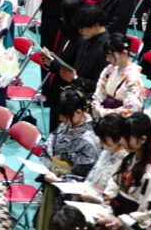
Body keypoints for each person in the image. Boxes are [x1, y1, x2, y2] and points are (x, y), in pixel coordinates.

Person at [35, 89, 101, 230]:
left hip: (71, 197)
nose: (60, 119)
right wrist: (46, 169)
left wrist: (58, 180)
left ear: (78, 112)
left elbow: (84, 176)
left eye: (64, 116)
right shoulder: (65, 124)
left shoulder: (90, 140)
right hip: (52, 179)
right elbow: (49, 146)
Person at [96, 113, 151, 230]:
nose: (122, 141)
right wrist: (108, 209)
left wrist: (121, 221)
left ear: (142, 139)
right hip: (117, 212)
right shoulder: (127, 159)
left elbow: (150, 213)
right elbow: (113, 185)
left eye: (126, 137)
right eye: (122, 136)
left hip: (133, 222)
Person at [90, 33, 146, 118]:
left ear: (124, 53)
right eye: (107, 56)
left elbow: (132, 109)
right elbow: (99, 92)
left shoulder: (134, 77)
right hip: (103, 113)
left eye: (110, 56)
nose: (107, 59)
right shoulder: (109, 69)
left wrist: (103, 112)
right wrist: (96, 105)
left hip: (120, 120)